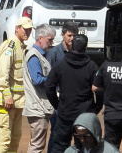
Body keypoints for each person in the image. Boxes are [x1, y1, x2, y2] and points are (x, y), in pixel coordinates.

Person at [45, 34, 101, 153]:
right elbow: (99, 89)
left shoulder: (59, 65)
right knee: (83, 147)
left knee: (60, 146)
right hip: (85, 116)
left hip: (65, 113)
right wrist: (97, 107)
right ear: (86, 47)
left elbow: (49, 87)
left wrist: (58, 105)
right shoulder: (92, 67)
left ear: (71, 46)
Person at [0, 16, 33, 153]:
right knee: (4, 141)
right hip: (6, 101)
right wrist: (7, 95)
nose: (27, 32)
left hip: (18, 102)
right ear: (17, 29)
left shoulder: (22, 47)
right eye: (25, 29)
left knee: (15, 139)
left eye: (29, 30)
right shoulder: (10, 46)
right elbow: (3, 73)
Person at [46, 22, 78, 153]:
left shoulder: (78, 52)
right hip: (58, 103)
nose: (72, 39)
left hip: (73, 103)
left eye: (74, 36)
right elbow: (49, 81)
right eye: (69, 35)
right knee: (56, 134)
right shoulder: (53, 54)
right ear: (62, 35)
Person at [24, 24, 56, 153]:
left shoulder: (40, 55)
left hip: (40, 107)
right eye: (49, 40)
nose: (51, 43)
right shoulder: (34, 56)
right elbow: (37, 79)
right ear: (40, 38)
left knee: (37, 144)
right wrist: (53, 79)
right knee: (37, 145)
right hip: (37, 108)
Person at [93, 42, 122, 150]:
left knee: (110, 148)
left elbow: (95, 87)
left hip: (111, 114)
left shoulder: (107, 64)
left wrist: (107, 87)